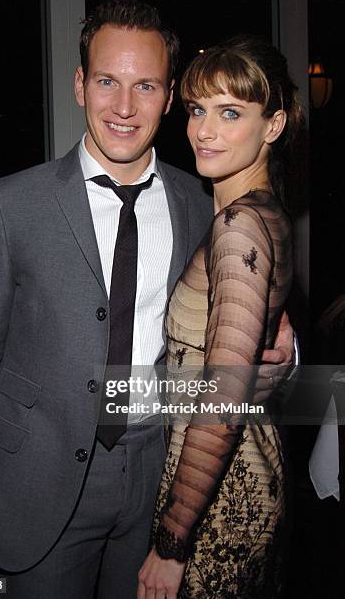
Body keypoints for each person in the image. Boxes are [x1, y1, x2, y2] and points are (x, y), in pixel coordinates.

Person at [0, 1, 295, 599]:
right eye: (107, 81)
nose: (125, 107)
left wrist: (279, 355)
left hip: (156, 478)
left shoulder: (199, 202)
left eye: (147, 86)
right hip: (35, 484)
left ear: (167, 97)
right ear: (80, 85)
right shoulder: (11, 205)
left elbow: (216, 341)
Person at [138, 36, 303, 598]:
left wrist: (172, 543)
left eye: (230, 113)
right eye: (197, 109)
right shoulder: (265, 213)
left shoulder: (239, 228)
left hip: (222, 488)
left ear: (273, 125)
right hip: (236, 467)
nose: (203, 130)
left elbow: (223, 400)